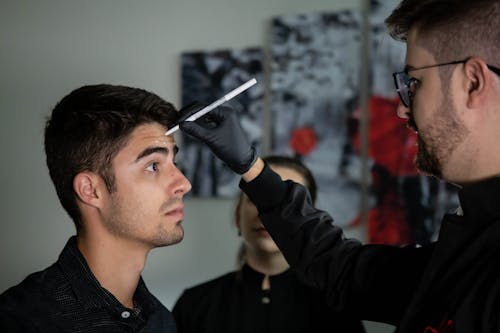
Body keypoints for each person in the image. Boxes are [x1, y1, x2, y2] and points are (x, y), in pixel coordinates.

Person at [177, 0, 500, 331]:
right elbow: (342, 270)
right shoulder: (465, 247)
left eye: (413, 83)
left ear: (472, 82)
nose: (402, 110)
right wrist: (251, 167)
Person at [0, 84, 192, 332]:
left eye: (173, 162)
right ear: (90, 190)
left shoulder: (161, 320)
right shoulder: (20, 321)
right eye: (153, 165)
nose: (184, 184)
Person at [172, 155, 365, 333]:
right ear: (238, 216)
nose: (267, 214)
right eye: (256, 199)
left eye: (285, 203)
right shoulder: (194, 305)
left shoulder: (335, 308)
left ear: (309, 222)